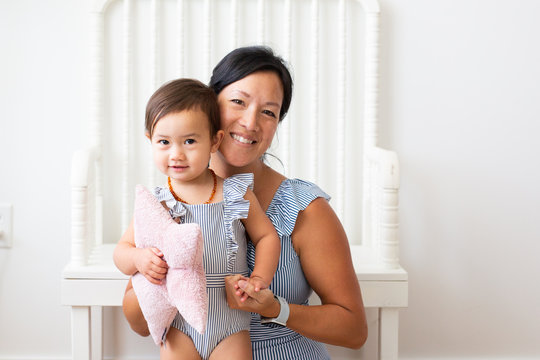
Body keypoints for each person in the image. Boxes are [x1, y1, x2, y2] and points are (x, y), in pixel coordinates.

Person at [122, 46, 368, 359]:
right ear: (211, 105)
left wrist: (277, 308)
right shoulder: (166, 201)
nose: (251, 122)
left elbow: (354, 329)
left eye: (269, 112)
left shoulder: (305, 208)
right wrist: (157, 274)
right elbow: (140, 324)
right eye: (238, 101)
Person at [113, 78, 280, 360]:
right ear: (150, 140)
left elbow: (266, 237)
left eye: (189, 141)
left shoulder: (235, 192)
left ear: (215, 140)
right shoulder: (156, 203)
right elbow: (122, 251)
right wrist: (140, 259)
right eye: (164, 142)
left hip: (230, 323)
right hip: (180, 324)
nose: (176, 154)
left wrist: (259, 278)